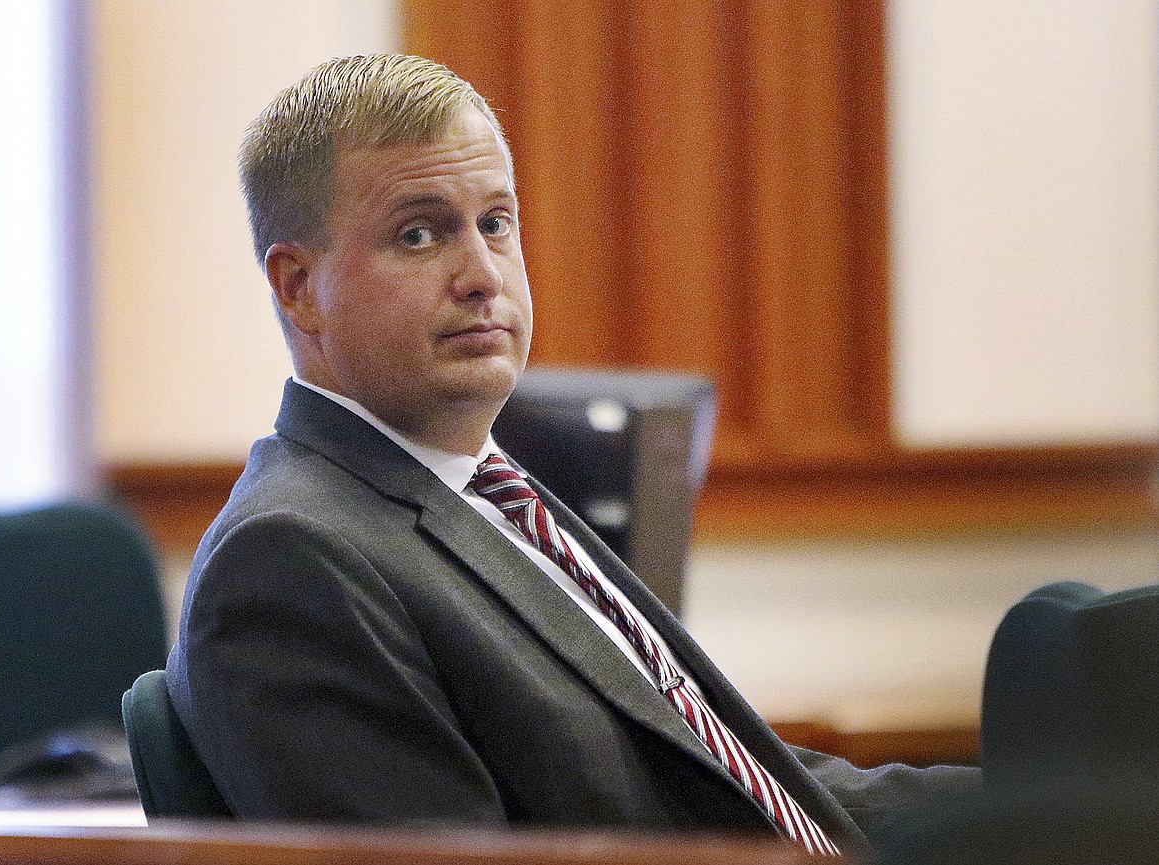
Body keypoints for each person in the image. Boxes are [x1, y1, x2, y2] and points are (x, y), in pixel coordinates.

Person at [166, 53, 976, 856]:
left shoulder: (492, 492)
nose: (483, 275)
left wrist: (1038, 808)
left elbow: (726, 783)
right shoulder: (289, 559)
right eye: (418, 234)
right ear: (299, 287)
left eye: (495, 222)